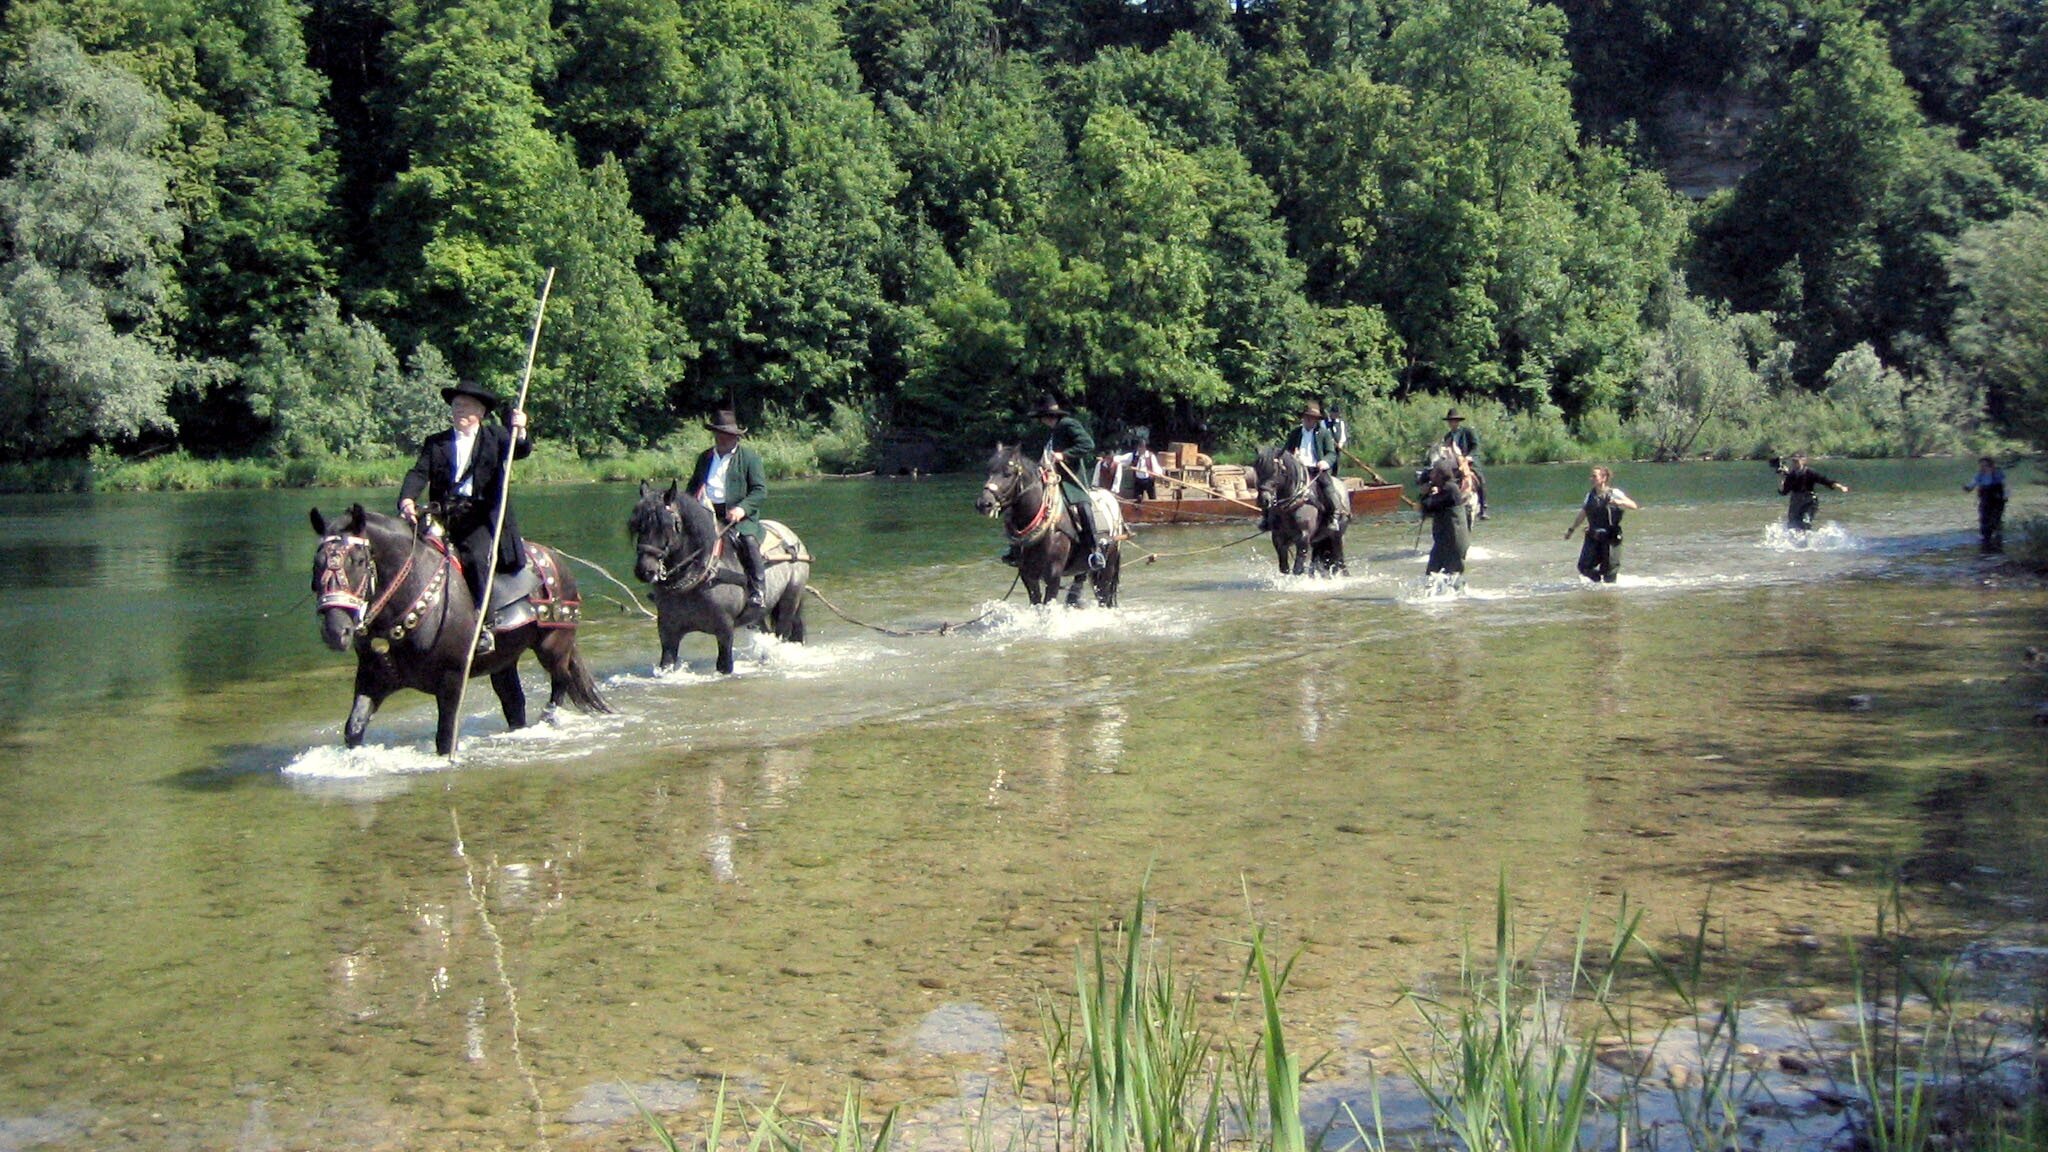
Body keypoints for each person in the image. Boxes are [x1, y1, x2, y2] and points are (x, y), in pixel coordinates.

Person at [399, 381, 532, 654]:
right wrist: (407, 499)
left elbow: (520, 450)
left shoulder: (496, 437)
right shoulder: (437, 442)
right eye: (456, 406)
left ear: (480, 413)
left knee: (475, 558)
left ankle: (484, 626)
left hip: (479, 518)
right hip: (442, 515)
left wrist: (520, 430)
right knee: (407, 553)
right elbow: (418, 473)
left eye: (466, 406)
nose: (459, 410)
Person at [686, 409, 768, 621]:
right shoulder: (705, 457)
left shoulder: (749, 458)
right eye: (719, 434)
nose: (722, 438)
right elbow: (692, 487)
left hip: (739, 516)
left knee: (748, 542)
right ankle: (673, 586)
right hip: (706, 513)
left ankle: (758, 590)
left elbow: (759, 491)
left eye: (727, 435)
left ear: (736, 437)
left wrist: (742, 508)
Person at [1020, 393, 1104, 570]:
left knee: (1083, 507)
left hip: (1070, 480)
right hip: (1050, 480)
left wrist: (1064, 455)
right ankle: (1019, 548)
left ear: (1046, 417)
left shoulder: (1068, 424)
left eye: (1041, 417)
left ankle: (1095, 551)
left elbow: (1087, 444)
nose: (1041, 421)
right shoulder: (1053, 432)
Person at [1276, 400, 1349, 532]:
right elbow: (1286, 452)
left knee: (1328, 487)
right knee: (1276, 486)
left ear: (1316, 420)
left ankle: (1334, 515)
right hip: (1297, 470)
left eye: (1312, 418)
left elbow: (1331, 453)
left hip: (1316, 469)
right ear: (1303, 418)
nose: (1309, 421)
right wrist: (1291, 457)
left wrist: (1325, 462)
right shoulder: (1295, 433)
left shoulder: (1324, 433)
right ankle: (1269, 519)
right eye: (1307, 418)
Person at [1564, 466, 1640, 583]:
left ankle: (1609, 588)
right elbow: (1582, 514)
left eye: (1594, 476)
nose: (1591, 479)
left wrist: (1618, 502)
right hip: (1594, 535)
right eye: (1591, 476)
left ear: (1604, 478)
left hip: (1611, 536)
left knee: (1610, 570)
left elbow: (1633, 505)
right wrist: (1571, 530)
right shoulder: (1590, 496)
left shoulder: (1614, 493)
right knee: (1584, 567)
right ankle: (1598, 584)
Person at [1417, 453, 1470, 578]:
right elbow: (1428, 510)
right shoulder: (1446, 488)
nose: (1430, 476)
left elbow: (1428, 506)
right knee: (1431, 576)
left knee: (1453, 578)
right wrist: (1428, 493)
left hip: (1453, 543)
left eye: (1433, 473)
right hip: (1443, 542)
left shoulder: (1450, 489)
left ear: (1440, 475)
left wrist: (1425, 494)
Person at [1776, 452, 1849, 531]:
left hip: (1809, 501)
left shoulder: (1810, 472)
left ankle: (1808, 536)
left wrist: (1841, 487)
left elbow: (1825, 481)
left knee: (1805, 522)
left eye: (1797, 461)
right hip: (1795, 502)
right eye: (1793, 461)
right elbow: (1784, 492)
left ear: (1803, 461)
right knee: (1792, 525)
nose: (1795, 463)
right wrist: (1781, 478)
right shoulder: (1791, 476)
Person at [1442, 408, 1488, 519]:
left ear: (1458, 421)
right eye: (1450, 421)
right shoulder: (1447, 436)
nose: (1452, 423)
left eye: (1454, 420)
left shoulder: (1467, 432)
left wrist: (1469, 457)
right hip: (1453, 463)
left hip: (1469, 462)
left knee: (1479, 478)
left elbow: (1476, 446)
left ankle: (1483, 507)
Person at [1964, 456, 2007, 552]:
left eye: (1985, 465)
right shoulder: (1979, 474)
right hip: (1985, 499)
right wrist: (1967, 488)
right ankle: (1985, 538)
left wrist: (2005, 496)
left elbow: (2005, 485)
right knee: (1984, 518)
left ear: (1991, 465)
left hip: (1997, 499)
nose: (1983, 467)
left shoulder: (1998, 473)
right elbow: (1972, 484)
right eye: (1981, 465)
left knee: (1996, 518)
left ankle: (1997, 537)